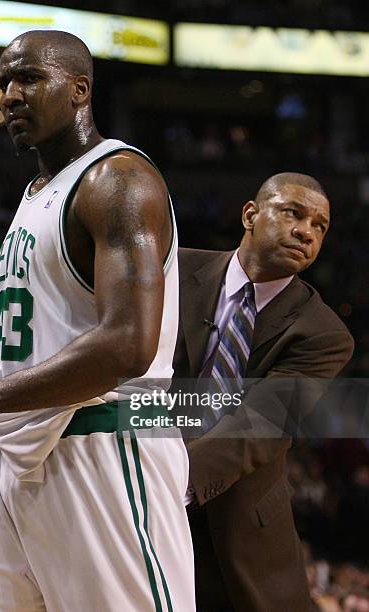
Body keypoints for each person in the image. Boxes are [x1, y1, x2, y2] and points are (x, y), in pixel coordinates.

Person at [0, 30, 195, 612]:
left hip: (103, 447)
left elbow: (128, 345)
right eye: (5, 82)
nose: (11, 95)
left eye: (29, 78)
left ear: (79, 90)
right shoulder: (36, 192)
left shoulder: (118, 181)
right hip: (13, 456)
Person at [172, 173, 354, 612]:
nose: (306, 232)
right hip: (133, 498)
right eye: (293, 213)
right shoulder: (171, 271)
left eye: (320, 226)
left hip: (239, 537)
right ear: (250, 215)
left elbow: (260, 425)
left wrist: (163, 484)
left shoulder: (325, 333)